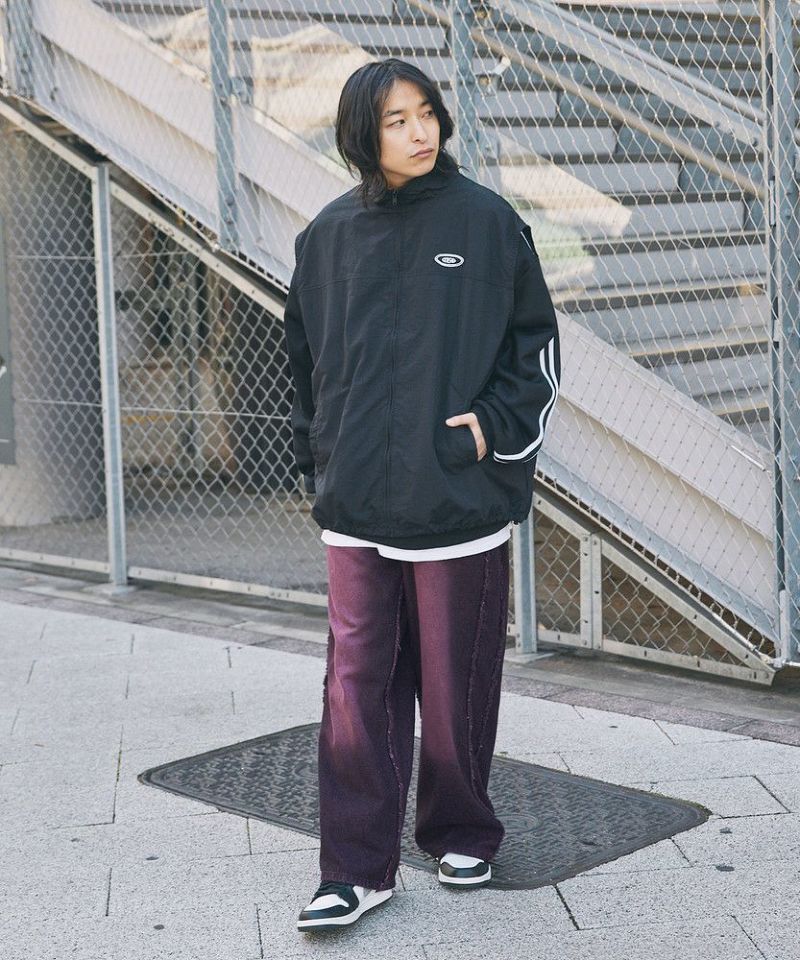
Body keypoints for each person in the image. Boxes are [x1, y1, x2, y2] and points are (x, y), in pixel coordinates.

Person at [282, 58, 560, 932]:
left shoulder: (487, 222)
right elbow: (304, 364)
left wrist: (487, 432)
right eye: (396, 120)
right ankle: (354, 869)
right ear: (362, 134)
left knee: (454, 681)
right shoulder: (327, 235)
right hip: (356, 502)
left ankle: (460, 829)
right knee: (353, 686)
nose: (418, 131)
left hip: (453, 496)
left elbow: (535, 351)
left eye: (427, 113)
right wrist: (321, 461)